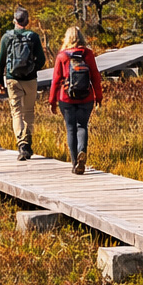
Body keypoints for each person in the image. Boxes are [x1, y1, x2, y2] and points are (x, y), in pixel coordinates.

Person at [48, 25, 102, 175]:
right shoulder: (88, 54)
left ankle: (74, 163)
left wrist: (52, 101)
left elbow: (56, 80)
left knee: (71, 128)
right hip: (87, 97)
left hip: (66, 98)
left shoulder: (62, 56)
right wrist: (99, 97)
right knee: (82, 126)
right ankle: (82, 152)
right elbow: (96, 77)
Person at [0, 7, 46, 161]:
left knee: (16, 112)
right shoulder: (33, 37)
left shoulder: (7, 37)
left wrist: (0, 79)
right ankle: (28, 141)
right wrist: (33, 69)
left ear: (14, 20)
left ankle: (21, 144)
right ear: (27, 20)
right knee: (29, 111)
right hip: (30, 80)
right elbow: (42, 60)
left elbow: (1, 60)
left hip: (12, 79)